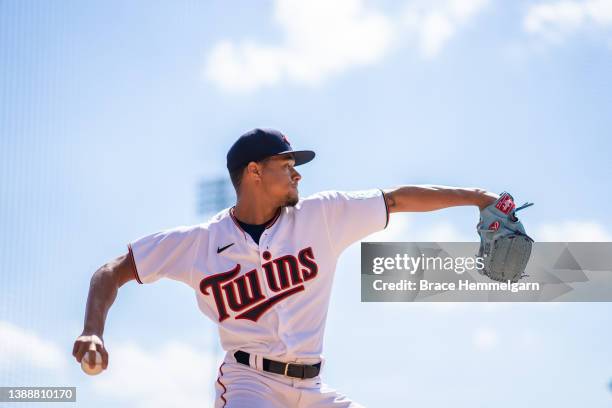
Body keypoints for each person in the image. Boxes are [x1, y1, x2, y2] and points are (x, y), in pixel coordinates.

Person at [72, 128, 498, 407]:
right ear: (254, 172)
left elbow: (396, 200)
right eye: (287, 166)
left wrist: (478, 197)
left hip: (312, 389)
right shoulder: (198, 244)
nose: (297, 176)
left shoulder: (323, 216)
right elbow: (113, 270)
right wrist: (93, 329)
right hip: (249, 384)